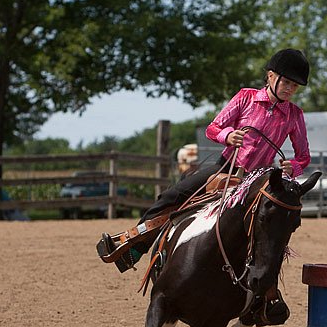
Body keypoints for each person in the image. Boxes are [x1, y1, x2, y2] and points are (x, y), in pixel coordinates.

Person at [97, 48, 313, 273]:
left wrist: (294, 167)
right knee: (172, 196)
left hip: (258, 181)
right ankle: (134, 247)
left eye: (294, 86)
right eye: (286, 82)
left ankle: (268, 291)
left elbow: (304, 156)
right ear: (270, 76)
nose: (289, 89)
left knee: (274, 226)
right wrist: (227, 135)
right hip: (224, 167)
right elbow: (213, 128)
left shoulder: (295, 115)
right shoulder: (245, 97)